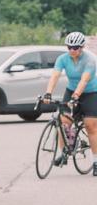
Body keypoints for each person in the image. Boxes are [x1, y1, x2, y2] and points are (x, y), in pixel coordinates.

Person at [40, 31, 97, 175]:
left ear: (82, 47)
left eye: (76, 47)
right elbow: (55, 76)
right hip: (71, 90)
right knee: (63, 122)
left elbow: (84, 80)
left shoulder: (90, 59)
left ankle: (96, 161)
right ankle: (64, 152)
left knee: (91, 126)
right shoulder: (62, 59)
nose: (72, 50)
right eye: (69, 47)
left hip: (91, 92)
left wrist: (76, 96)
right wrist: (48, 93)